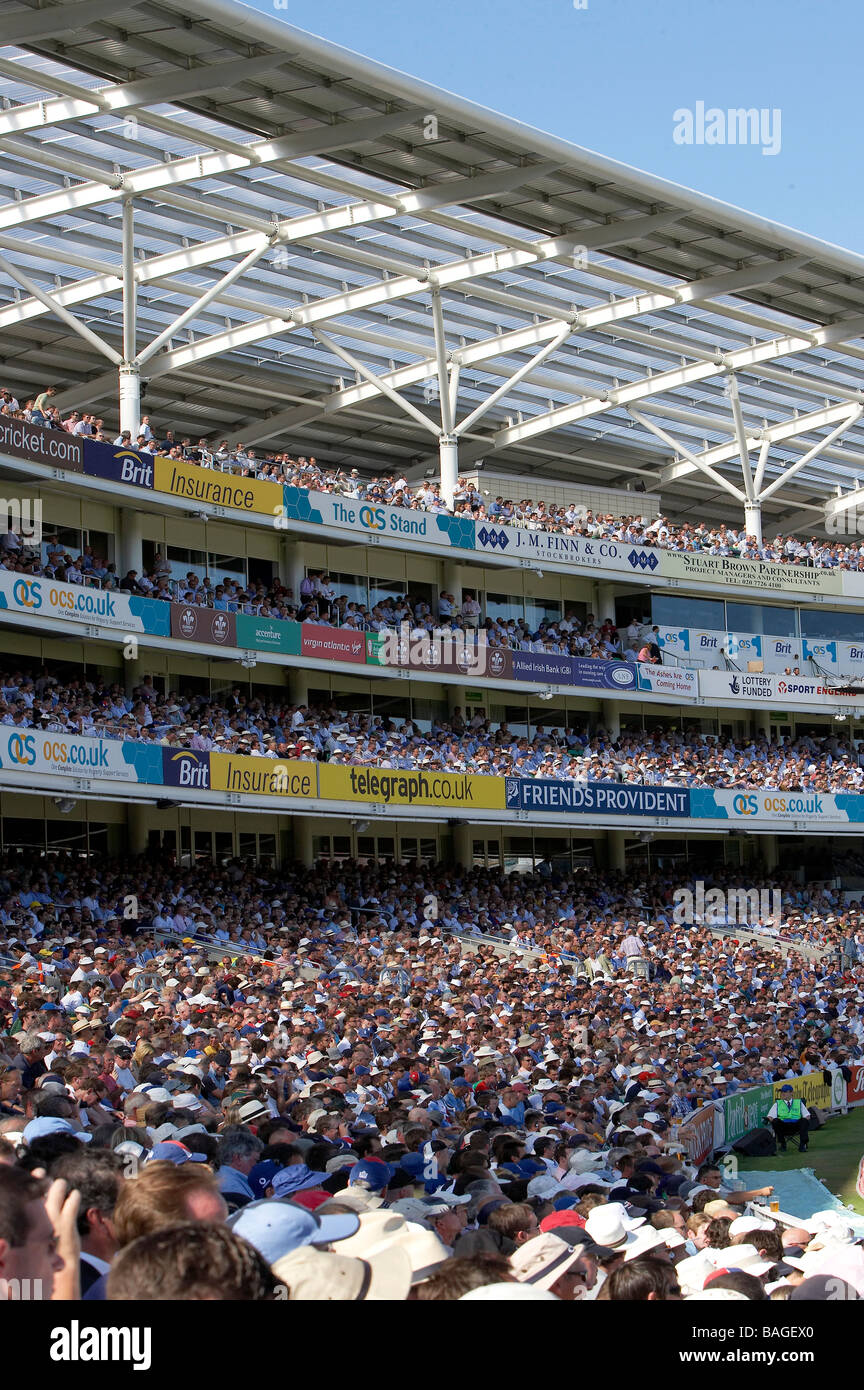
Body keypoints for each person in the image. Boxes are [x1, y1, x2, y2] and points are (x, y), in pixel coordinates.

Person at [766, 1086, 810, 1153]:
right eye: (782, 1092)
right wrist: (771, 1119)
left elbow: (807, 1116)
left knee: (804, 1121)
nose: (783, 1094)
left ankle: (802, 1144)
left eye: (785, 1092)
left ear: (791, 1093)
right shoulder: (777, 1103)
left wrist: (805, 1120)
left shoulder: (798, 1102)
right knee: (775, 1121)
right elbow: (770, 1116)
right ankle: (782, 1143)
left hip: (796, 1125)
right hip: (783, 1126)